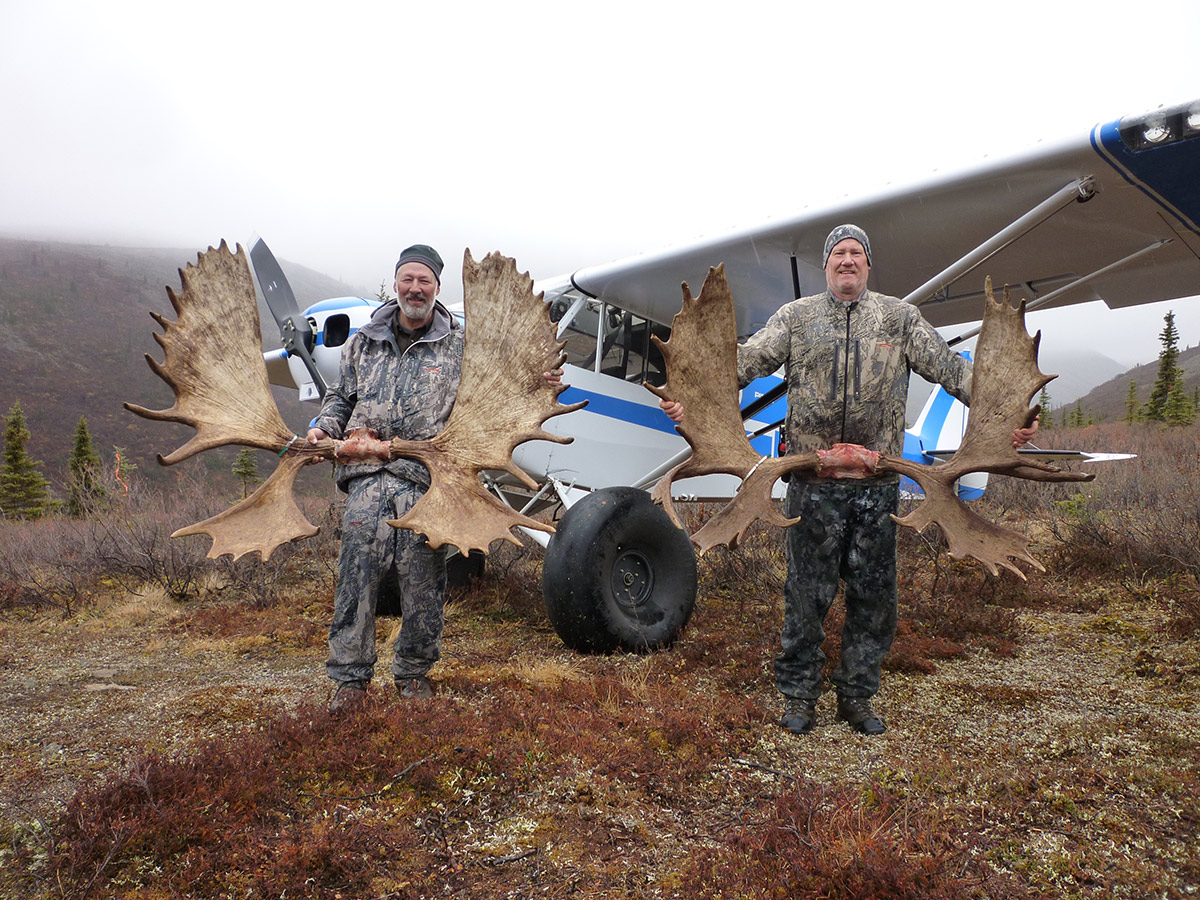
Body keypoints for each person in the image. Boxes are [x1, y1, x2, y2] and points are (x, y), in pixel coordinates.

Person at [662, 224, 1036, 736]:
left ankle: (857, 698)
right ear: (826, 265)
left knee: (874, 600)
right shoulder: (795, 319)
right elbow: (740, 366)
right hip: (811, 486)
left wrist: (1013, 412)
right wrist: (687, 392)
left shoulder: (901, 320)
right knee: (804, 599)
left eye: (856, 253)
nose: (847, 260)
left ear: (867, 265)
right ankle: (799, 697)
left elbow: (955, 373)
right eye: (838, 253)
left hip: (876, 488)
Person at [306, 244, 564, 713]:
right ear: (397, 282)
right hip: (366, 476)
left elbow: (498, 387)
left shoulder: (460, 346)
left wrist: (536, 381)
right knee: (356, 574)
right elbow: (340, 398)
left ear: (437, 287)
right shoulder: (362, 343)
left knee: (423, 580)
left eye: (424, 281)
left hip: (428, 481)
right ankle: (349, 680)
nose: (414, 289)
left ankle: (413, 672)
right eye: (407, 279)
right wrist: (322, 428)